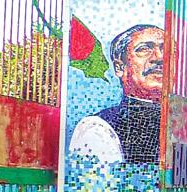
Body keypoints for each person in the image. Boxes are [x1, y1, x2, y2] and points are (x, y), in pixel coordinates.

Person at [69, 25, 165, 164]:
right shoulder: (98, 128)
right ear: (119, 67)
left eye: (167, 50)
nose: (160, 57)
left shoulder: (185, 123)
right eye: (144, 49)